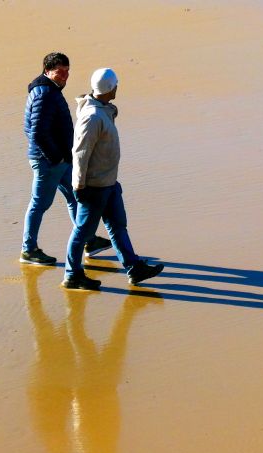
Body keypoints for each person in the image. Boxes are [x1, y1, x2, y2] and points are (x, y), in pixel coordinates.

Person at [62, 68, 164, 290]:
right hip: (94, 188)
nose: (118, 87)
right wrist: (79, 185)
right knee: (82, 231)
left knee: (118, 226)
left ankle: (134, 268)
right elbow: (80, 152)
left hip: (109, 184)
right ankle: (72, 275)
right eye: (116, 84)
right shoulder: (92, 117)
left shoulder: (104, 111)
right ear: (110, 88)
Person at [21, 52, 111, 266]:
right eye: (60, 72)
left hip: (58, 160)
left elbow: (32, 129)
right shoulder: (44, 93)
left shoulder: (49, 90)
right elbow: (36, 132)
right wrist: (57, 157)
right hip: (49, 161)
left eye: (67, 72)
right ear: (47, 70)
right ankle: (28, 249)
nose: (64, 76)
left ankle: (88, 240)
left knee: (74, 197)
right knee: (39, 204)